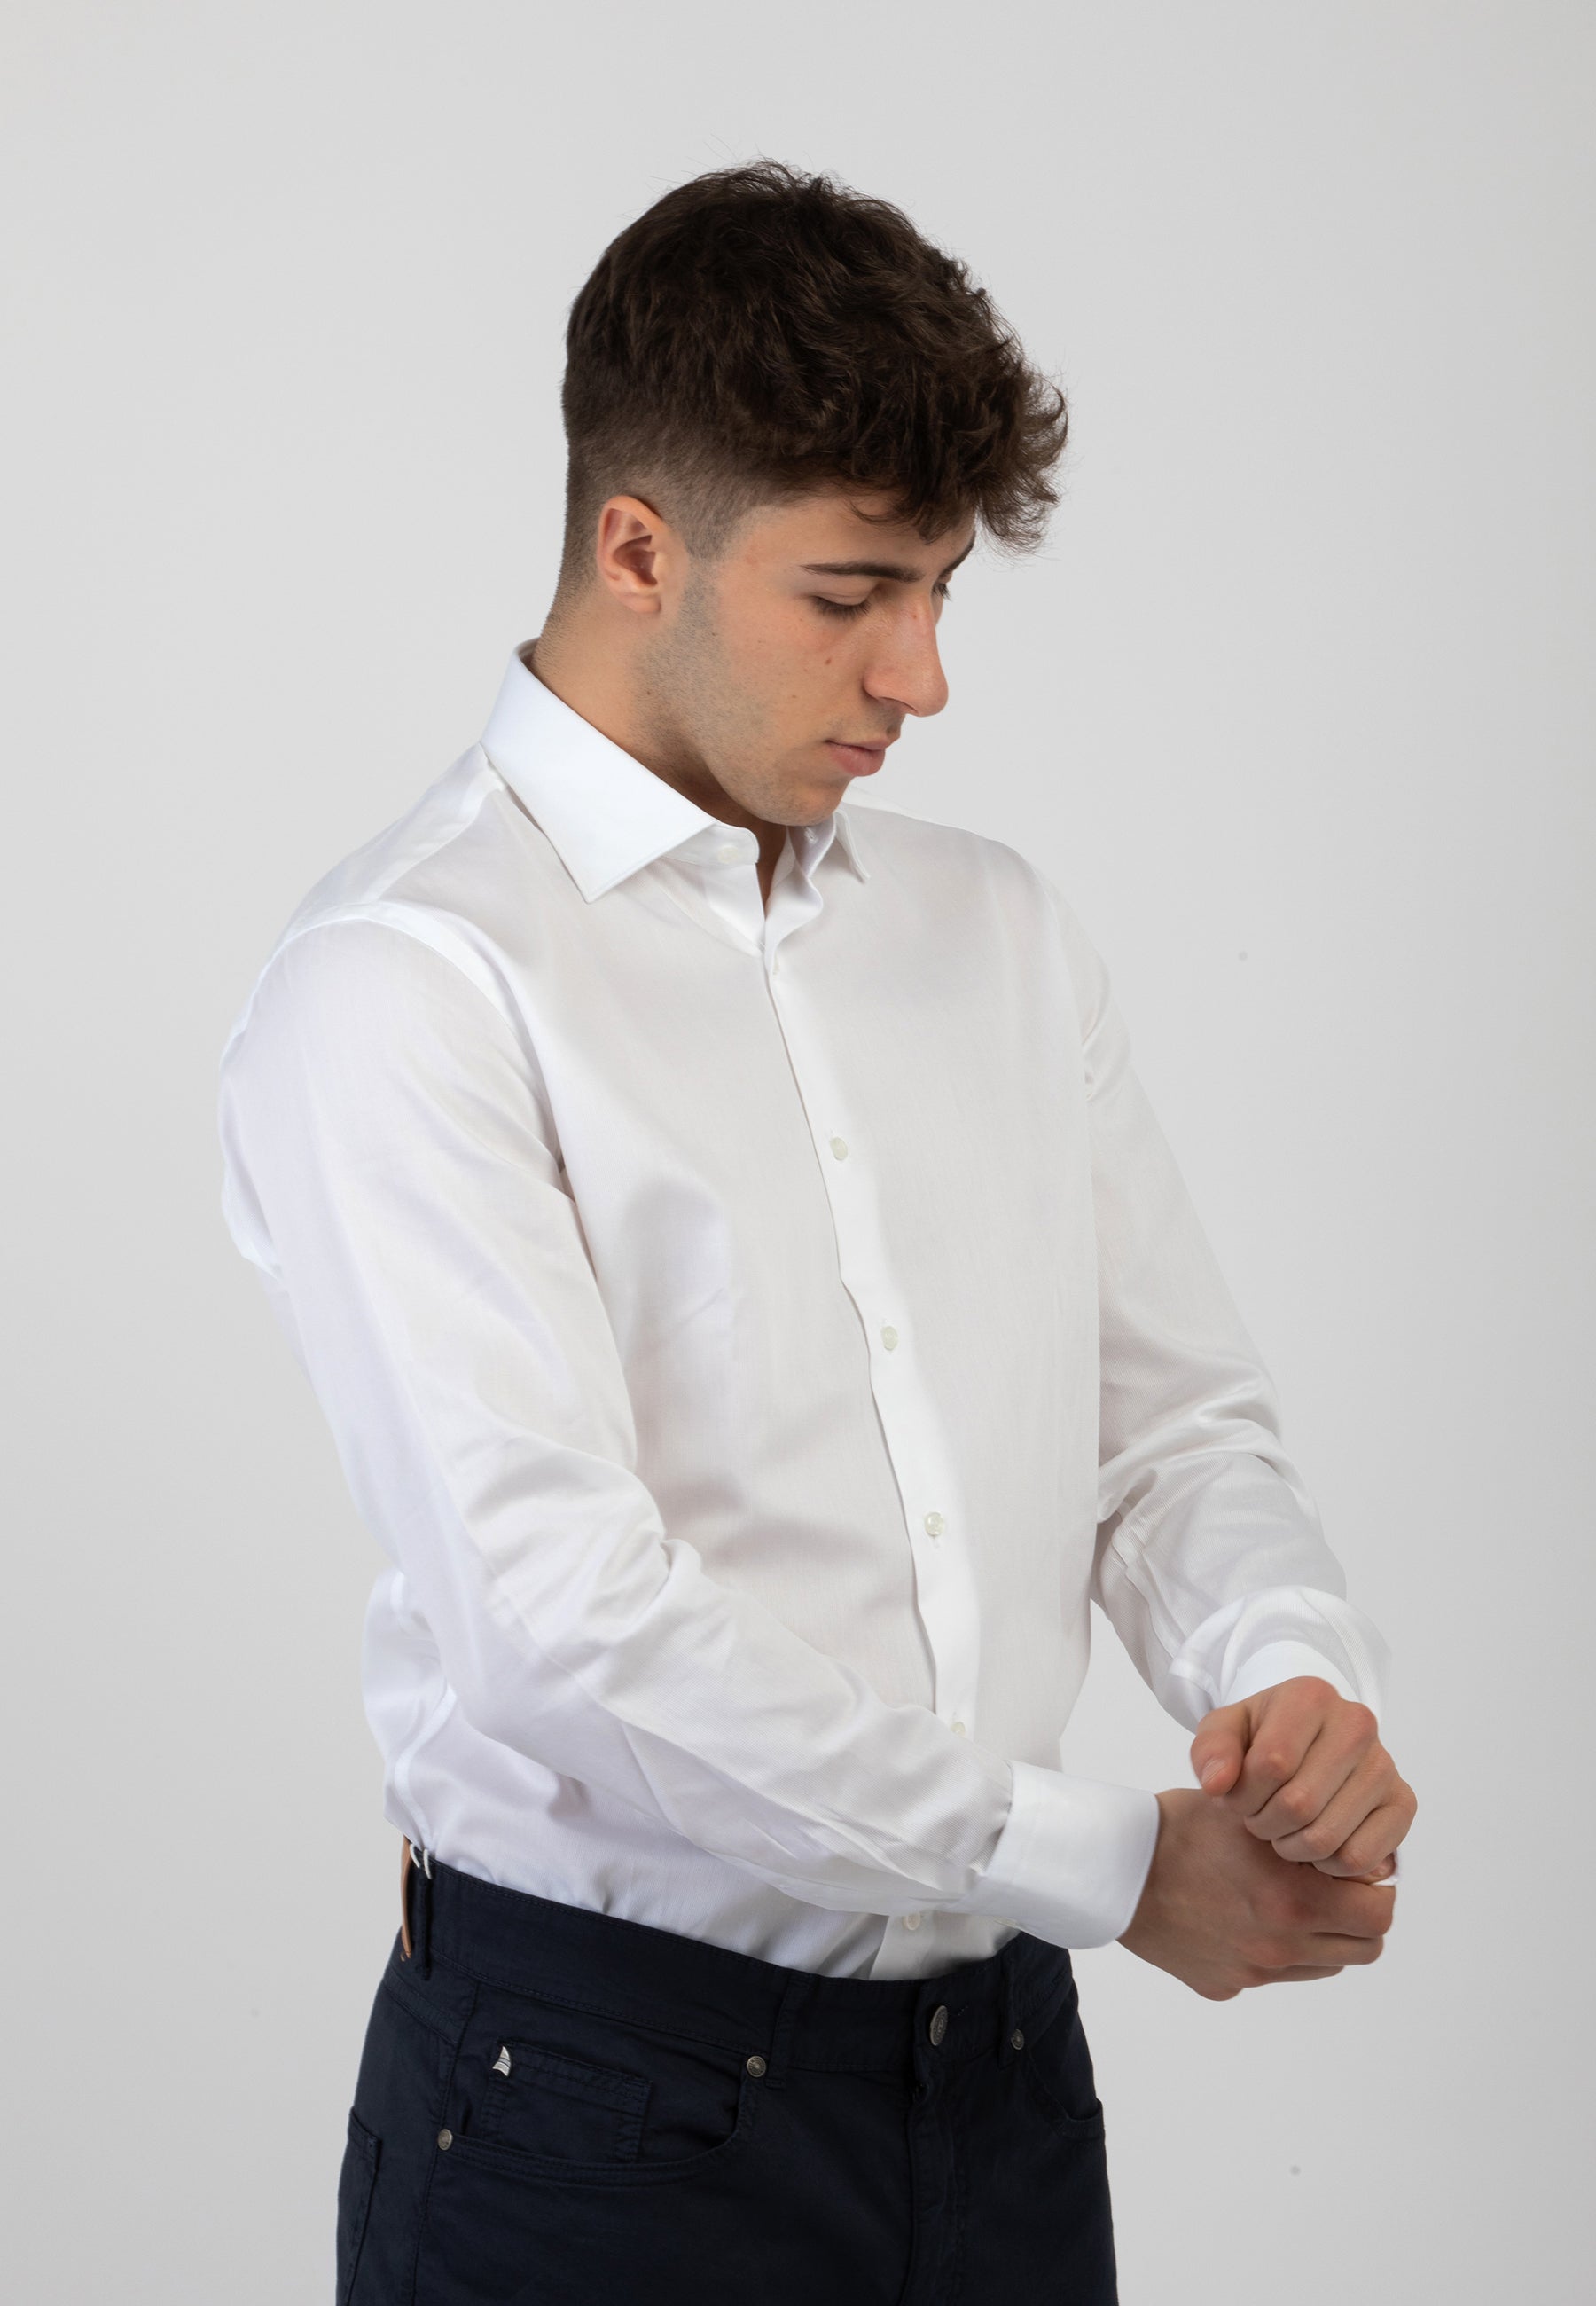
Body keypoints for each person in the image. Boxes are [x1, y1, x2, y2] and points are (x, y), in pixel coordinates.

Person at [216, 161, 1416, 2306]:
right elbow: (564, 1625)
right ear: (637, 549)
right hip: (598, 2111)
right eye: (851, 592)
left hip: (1002, 2082)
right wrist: (1108, 1864)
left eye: (942, 590)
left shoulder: (998, 931)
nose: (922, 674)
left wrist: (1288, 1669)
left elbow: (1170, 1429)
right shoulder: (407, 983)